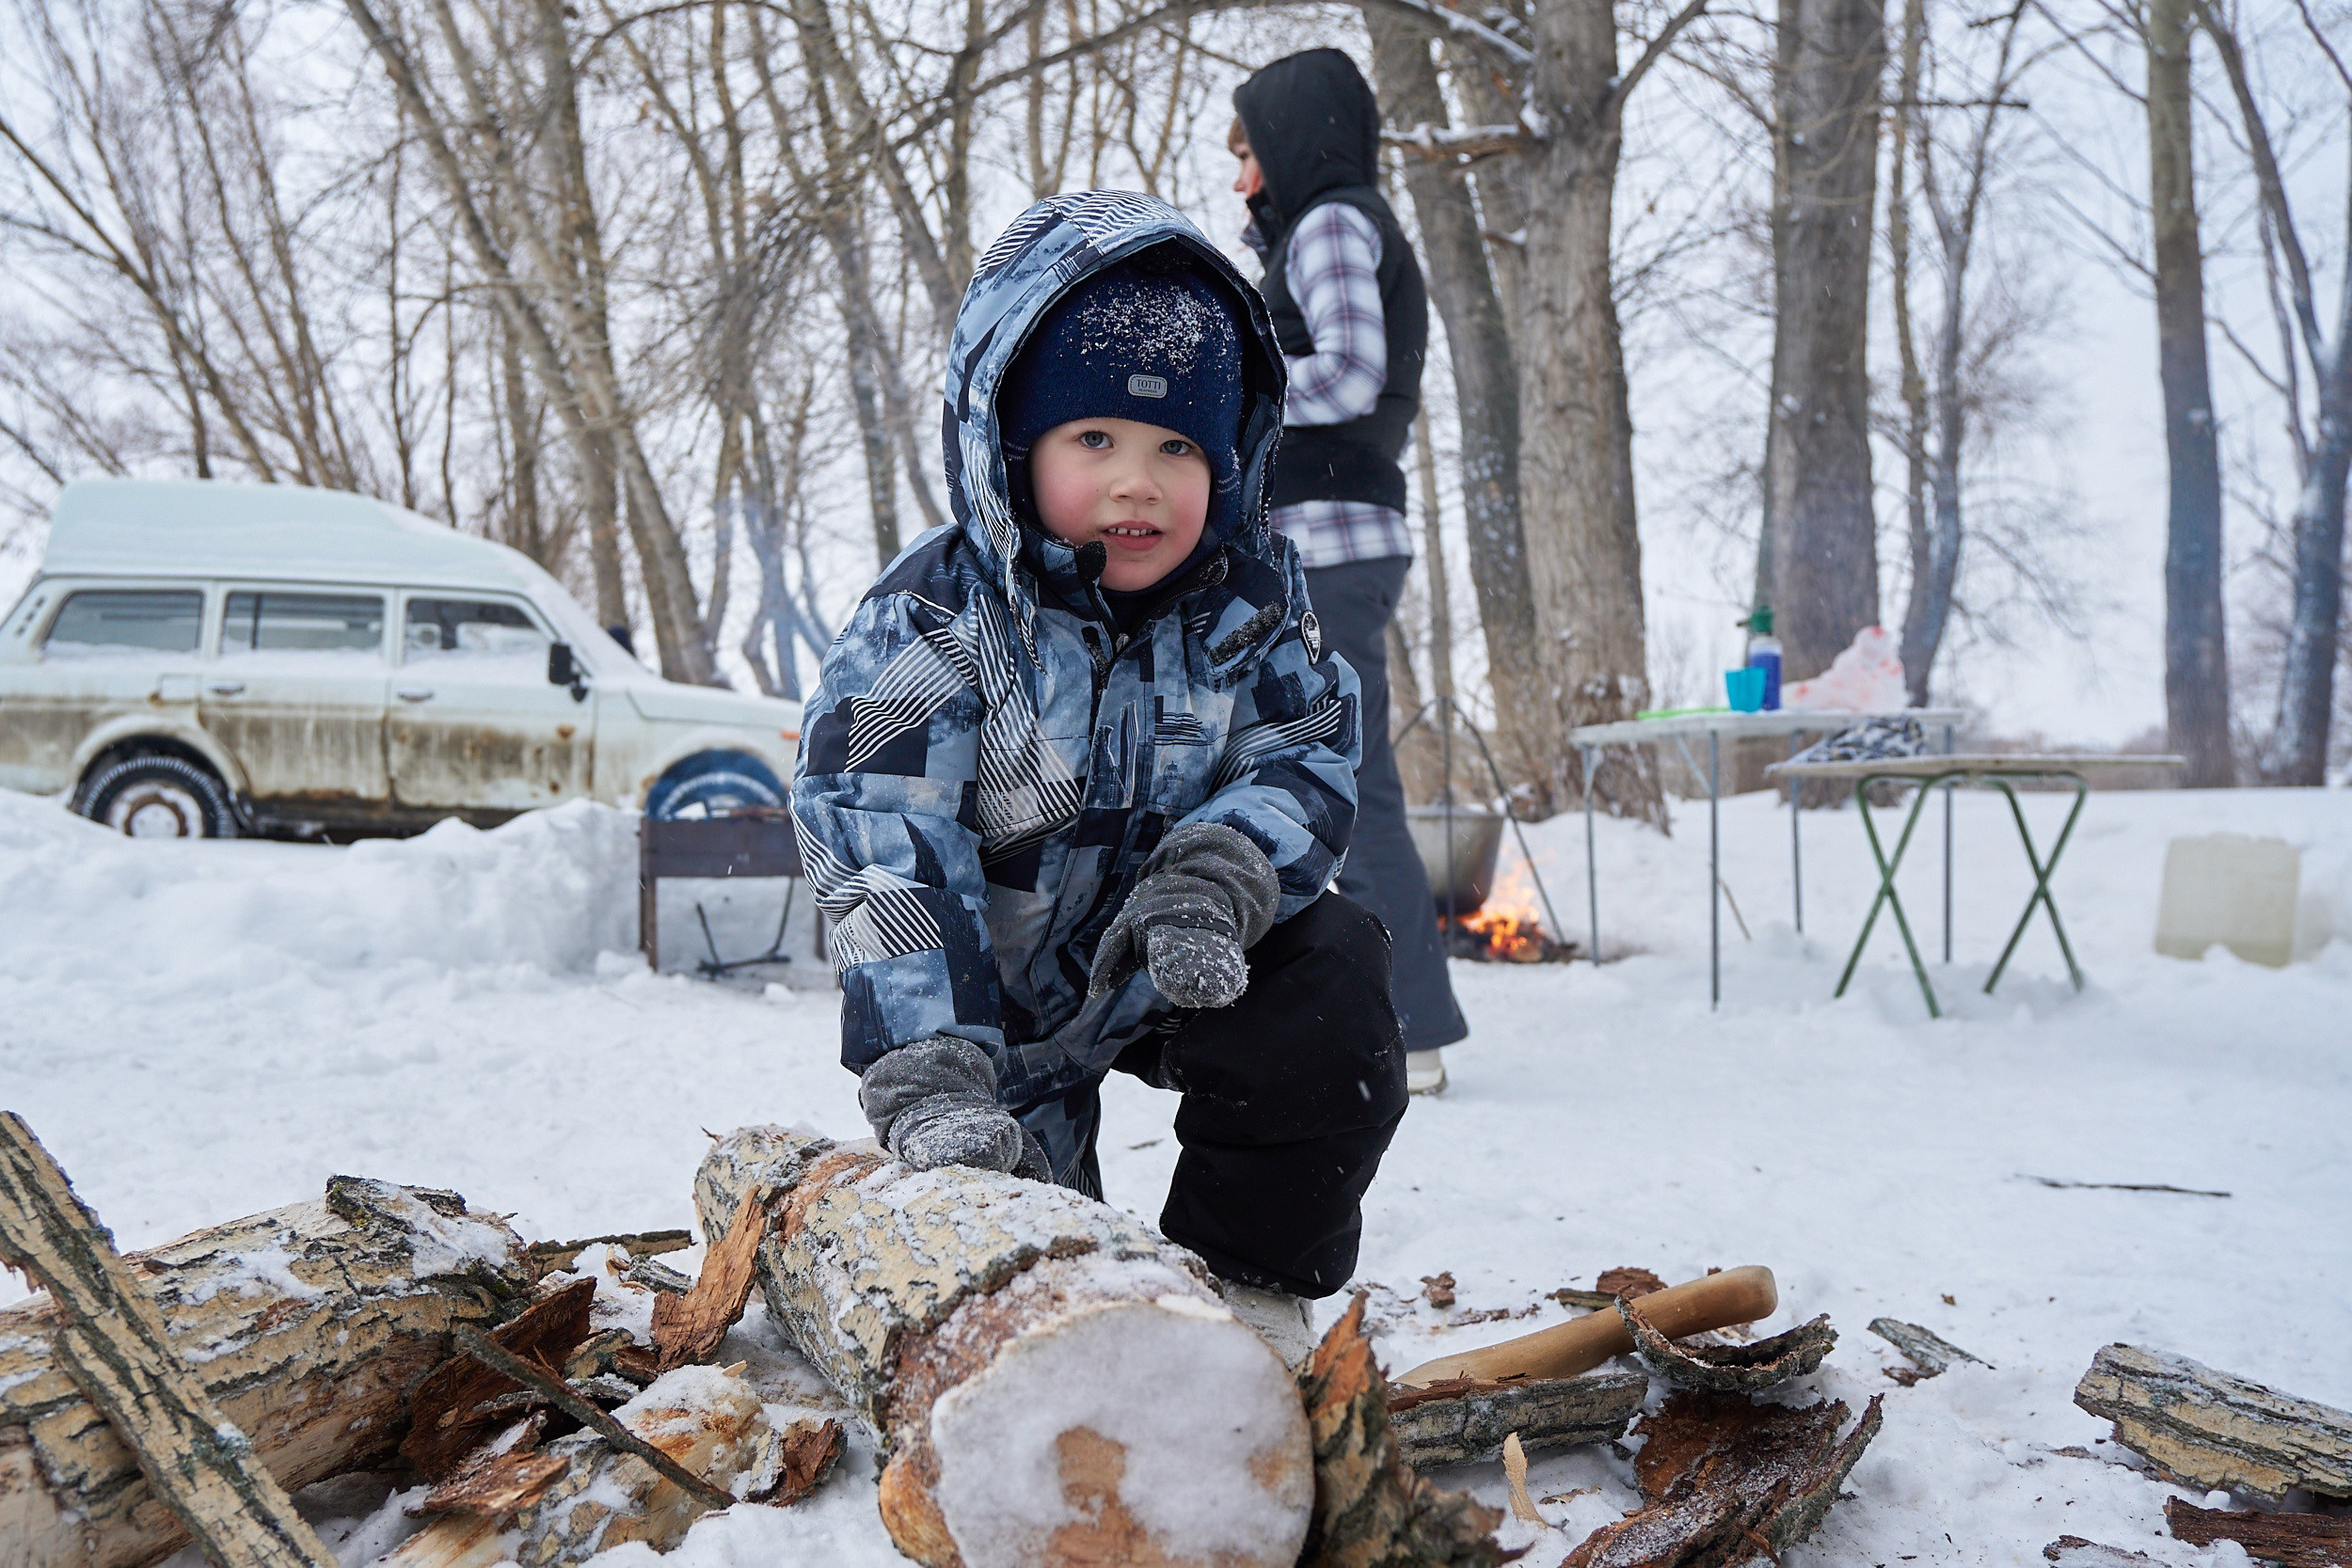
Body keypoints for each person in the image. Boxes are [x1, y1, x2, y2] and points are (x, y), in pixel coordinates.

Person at [789, 192, 1408, 1362]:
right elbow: (881, 833)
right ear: (1011, 445)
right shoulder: (937, 618)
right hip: (989, 1000)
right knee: (1038, 1285)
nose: (1138, 482)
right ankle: (1040, 1264)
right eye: (1094, 441)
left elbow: (1303, 751)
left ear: (1231, 459)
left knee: (1332, 975)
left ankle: (1246, 1294)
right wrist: (931, 1067)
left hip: (1169, 954)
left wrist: (1215, 877)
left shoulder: (1251, 605)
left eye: (1178, 447)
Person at [1231, 48, 1467, 1096]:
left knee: (1348, 780)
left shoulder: (1332, 222)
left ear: (1292, 140)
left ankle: (1410, 1029)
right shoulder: (1318, 227)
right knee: (1311, 771)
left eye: (1249, 152)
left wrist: (1235, 394)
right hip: (1328, 540)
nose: (1243, 178)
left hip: (1330, 542)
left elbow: (1353, 370)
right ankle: (1354, 1010)